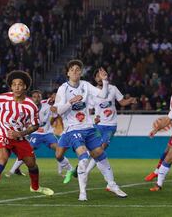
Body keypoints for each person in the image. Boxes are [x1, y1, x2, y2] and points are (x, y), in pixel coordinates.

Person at [0, 70, 54, 204]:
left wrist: (20, 134)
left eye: (20, 84)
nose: (17, 87)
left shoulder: (31, 105)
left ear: (25, 86)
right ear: (11, 86)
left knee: (32, 164)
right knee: (2, 159)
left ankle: (35, 187)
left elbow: (35, 126)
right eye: (14, 85)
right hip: (2, 133)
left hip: (19, 137)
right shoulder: (1, 99)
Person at [52, 59, 127, 201]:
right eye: (72, 69)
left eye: (77, 69)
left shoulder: (85, 85)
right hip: (73, 129)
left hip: (88, 127)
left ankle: (112, 184)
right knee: (84, 158)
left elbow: (103, 95)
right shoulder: (63, 89)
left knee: (100, 153)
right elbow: (59, 111)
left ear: (81, 72)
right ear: (68, 73)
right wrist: (71, 101)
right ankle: (82, 193)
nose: (75, 71)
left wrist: (104, 81)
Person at [5, 90, 73, 178]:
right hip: (35, 133)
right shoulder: (28, 108)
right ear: (31, 98)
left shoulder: (47, 105)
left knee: (58, 149)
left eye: (38, 96)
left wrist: (55, 105)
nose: (36, 98)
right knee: (27, 151)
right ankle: (12, 170)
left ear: (41, 98)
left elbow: (54, 106)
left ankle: (65, 170)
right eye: (34, 97)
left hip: (48, 133)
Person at [86, 68, 137, 174]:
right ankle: (85, 169)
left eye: (101, 75)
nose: (99, 78)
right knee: (94, 149)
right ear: (95, 79)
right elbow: (88, 109)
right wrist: (92, 118)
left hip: (111, 125)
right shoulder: (92, 92)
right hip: (98, 125)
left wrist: (131, 100)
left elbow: (122, 102)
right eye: (97, 76)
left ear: (106, 76)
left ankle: (85, 172)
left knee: (102, 148)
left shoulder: (113, 89)